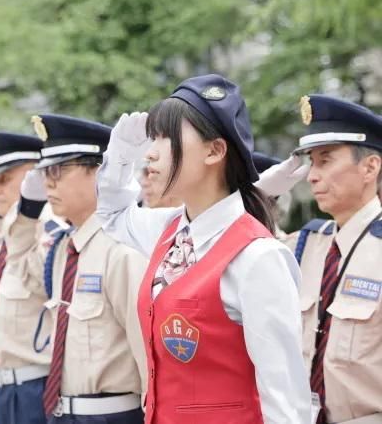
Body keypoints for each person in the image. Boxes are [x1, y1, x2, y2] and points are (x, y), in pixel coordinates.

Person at [96, 74, 312, 424]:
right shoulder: (169, 230)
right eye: (153, 138)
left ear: (214, 150)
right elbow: (112, 216)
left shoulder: (257, 258)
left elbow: (286, 403)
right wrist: (119, 152)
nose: (150, 152)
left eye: (166, 137)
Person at [11, 114, 148, 424]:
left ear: (99, 171)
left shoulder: (122, 250)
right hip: (61, 413)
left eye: (59, 170)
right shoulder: (64, 248)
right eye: (46, 171)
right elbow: (17, 269)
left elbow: (149, 361)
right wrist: (27, 212)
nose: (48, 181)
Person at [292, 94, 382, 424]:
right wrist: (257, 195)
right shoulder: (309, 244)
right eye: (311, 163)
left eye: (325, 161)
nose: (312, 175)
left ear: (370, 167)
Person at [0, 130, 54, 424]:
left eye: (5, 179)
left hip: (35, 385)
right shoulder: (4, 233)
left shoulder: (46, 226)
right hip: (2, 384)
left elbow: (41, 279)